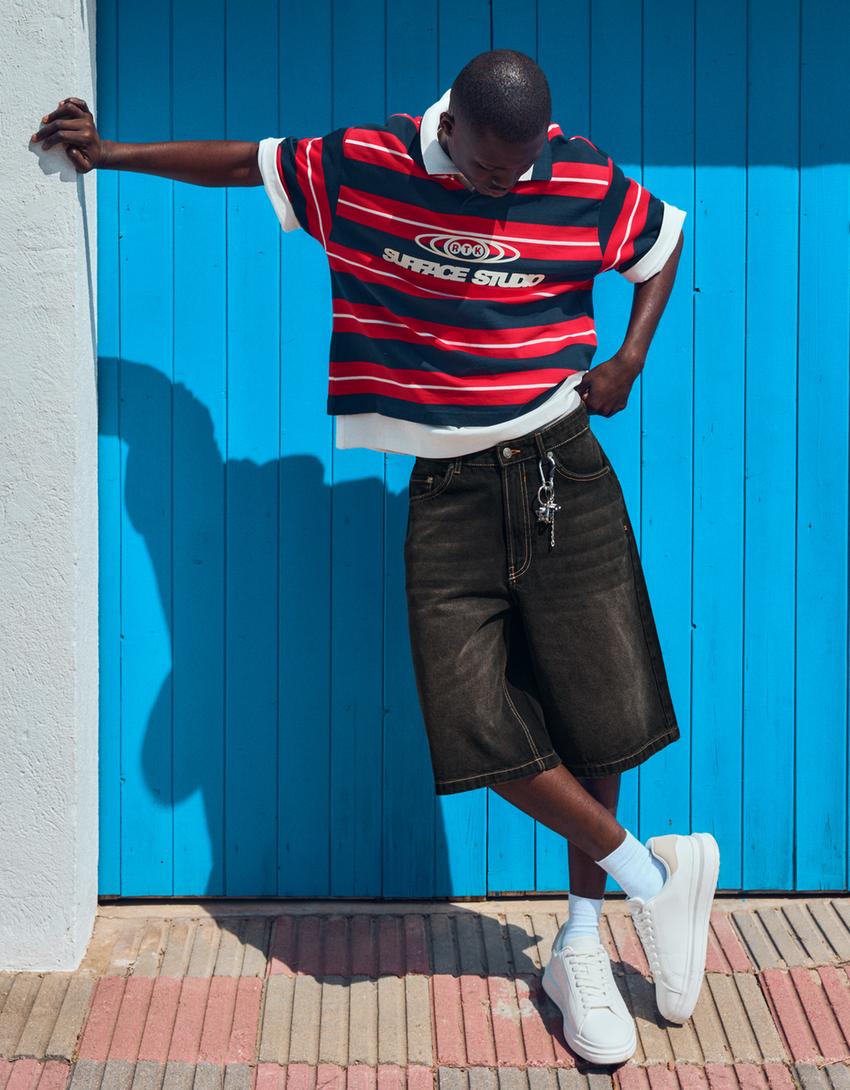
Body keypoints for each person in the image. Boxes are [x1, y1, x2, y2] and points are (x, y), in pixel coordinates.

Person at [32, 48, 719, 1065]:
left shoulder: (576, 172)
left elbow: (660, 243)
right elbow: (245, 162)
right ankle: (653, 880)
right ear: (451, 127)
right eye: (486, 168)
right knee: (469, 723)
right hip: (447, 487)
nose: (503, 186)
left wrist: (629, 358)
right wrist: (114, 152)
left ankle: (580, 943)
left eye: (520, 168)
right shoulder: (366, 162)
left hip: (561, 467)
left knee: (598, 715)